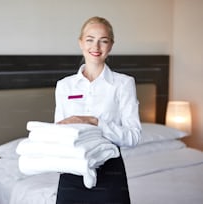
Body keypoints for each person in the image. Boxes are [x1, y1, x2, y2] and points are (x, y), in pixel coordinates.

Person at [54, 16, 142, 204]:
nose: (96, 47)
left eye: (103, 41)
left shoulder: (123, 84)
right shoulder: (64, 86)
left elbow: (133, 136)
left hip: (110, 173)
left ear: (110, 46)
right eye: (90, 40)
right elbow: (58, 132)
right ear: (80, 43)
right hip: (71, 173)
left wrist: (95, 122)